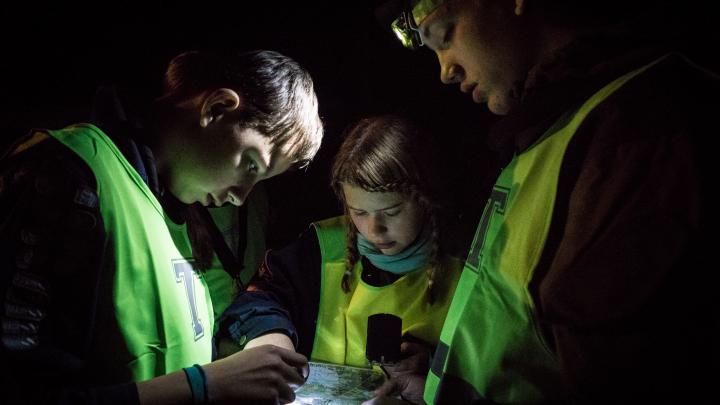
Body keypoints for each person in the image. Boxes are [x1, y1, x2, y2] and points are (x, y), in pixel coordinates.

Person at [381, 0, 718, 403]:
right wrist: (441, 386)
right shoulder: (549, 131)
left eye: (446, 34)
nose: (445, 71)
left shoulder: (643, 128)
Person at [0, 49, 323, 404]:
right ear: (216, 108)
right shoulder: (65, 174)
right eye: (250, 165)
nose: (240, 198)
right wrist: (204, 386)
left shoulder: (172, 211)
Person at [216, 115, 463, 403]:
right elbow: (258, 298)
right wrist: (271, 336)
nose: (374, 230)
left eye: (392, 212)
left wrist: (436, 363)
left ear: (426, 200)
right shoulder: (321, 246)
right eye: (359, 212)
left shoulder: (465, 264)